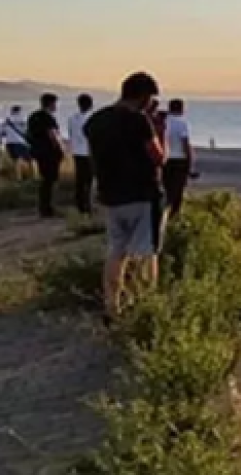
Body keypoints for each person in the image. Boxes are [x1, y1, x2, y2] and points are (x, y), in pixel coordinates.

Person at [85, 72, 165, 323]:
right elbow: (158, 156)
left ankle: (112, 306)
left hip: (111, 195)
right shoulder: (139, 121)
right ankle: (145, 306)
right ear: (143, 96)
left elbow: (93, 157)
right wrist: (155, 127)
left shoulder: (96, 121)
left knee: (116, 253)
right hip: (142, 194)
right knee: (146, 253)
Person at [26, 93, 65, 218]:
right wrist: (60, 149)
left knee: (45, 181)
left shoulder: (33, 117)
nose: (56, 106)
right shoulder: (48, 118)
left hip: (38, 152)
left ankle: (44, 207)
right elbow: (53, 136)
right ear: (51, 104)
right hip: (50, 153)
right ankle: (49, 208)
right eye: (54, 104)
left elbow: (28, 134)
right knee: (51, 180)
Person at [162, 98, 196, 218]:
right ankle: (173, 216)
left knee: (166, 189)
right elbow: (185, 143)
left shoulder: (164, 121)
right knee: (177, 191)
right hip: (179, 159)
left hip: (165, 159)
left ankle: (164, 214)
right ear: (181, 108)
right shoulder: (181, 123)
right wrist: (190, 160)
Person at [66, 93, 96, 215]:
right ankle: (87, 206)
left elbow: (70, 134)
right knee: (89, 180)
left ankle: (80, 204)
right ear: (90, 105)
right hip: (88, 153)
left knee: (80, 180)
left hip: (76, 152)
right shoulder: (92, 118)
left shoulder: (72, 118)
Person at [3, 105, 33, 180]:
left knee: (16, 160)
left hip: (9, 142)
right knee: (27, 159)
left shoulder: (7, 120)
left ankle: (19, 177)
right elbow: (27, 130)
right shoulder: (23, 118)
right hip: (19, 142)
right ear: (19, 111)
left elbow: (3, 132)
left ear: (12, 110)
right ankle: (28, 176)